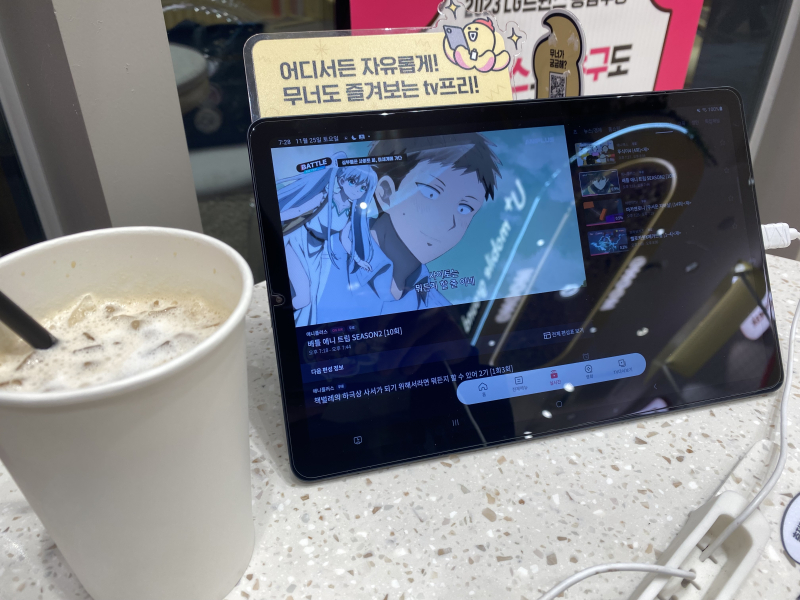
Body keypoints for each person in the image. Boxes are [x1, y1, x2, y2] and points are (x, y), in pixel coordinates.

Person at [315, 134, 501, 324]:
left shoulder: (440, 313)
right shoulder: (316, 261)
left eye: (464, 209)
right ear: (386, 193)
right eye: (431, 193)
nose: (448, 222)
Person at [278, 153, 378, 326]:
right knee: (303, 298)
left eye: (363, 187)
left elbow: (345, 238)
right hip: (297, 242)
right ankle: (281, 322)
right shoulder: (325, 197)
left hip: (317, 251)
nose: (357, 189)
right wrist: (272, 219)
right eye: (353, 182)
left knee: (312, 299)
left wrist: (358, 259)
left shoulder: (350, 212)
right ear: (342, 180)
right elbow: (297, 211)